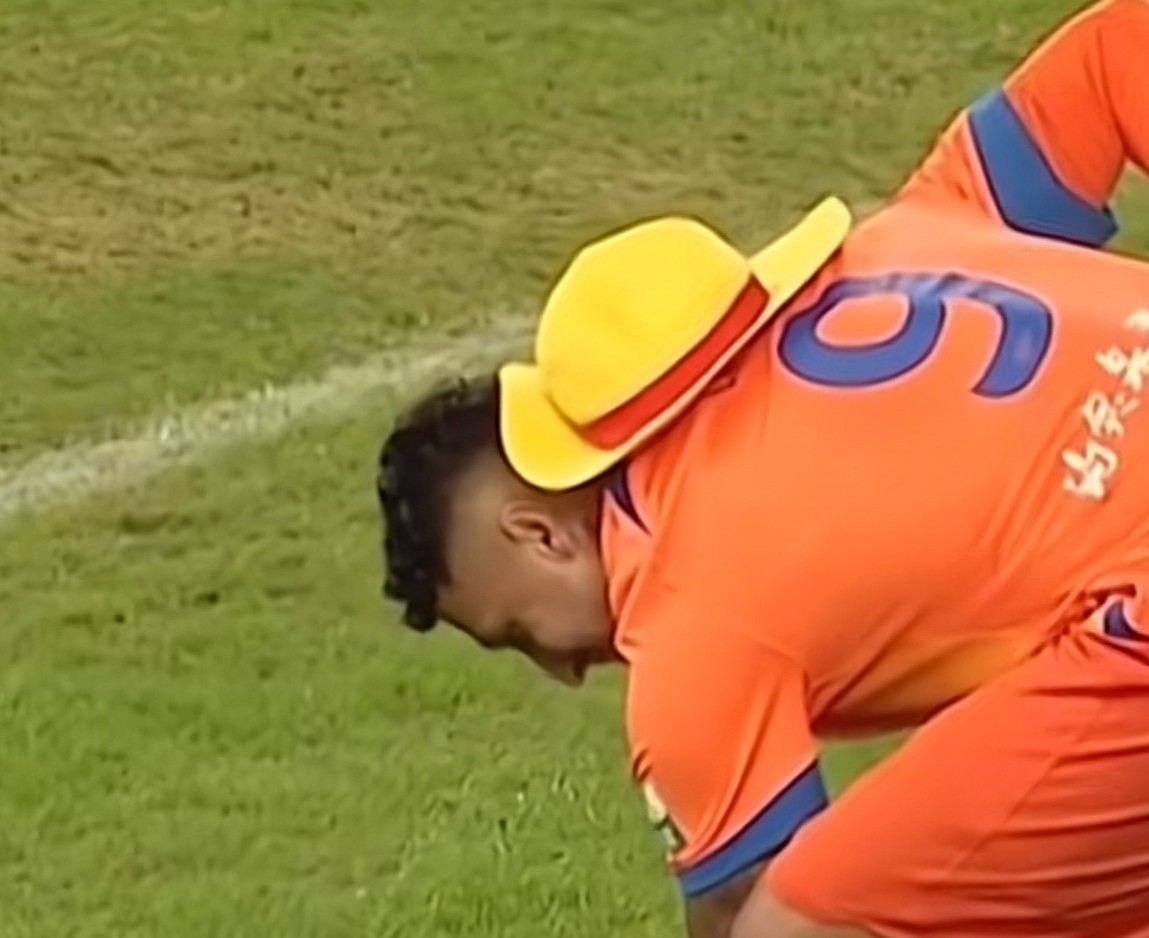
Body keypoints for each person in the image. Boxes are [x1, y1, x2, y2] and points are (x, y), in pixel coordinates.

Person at [375, 2, 1149, 936]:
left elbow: (741, 910)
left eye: (519, 635)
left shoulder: (686, 613)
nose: (564, 672)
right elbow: (1117, 50)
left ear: (536, 534)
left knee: (791, 926)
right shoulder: (912, 231)